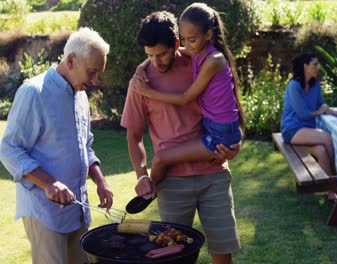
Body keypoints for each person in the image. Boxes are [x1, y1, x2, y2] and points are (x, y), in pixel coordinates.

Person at [121, 11, 240, 264]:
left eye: (162, 54)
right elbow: (133, 135)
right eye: (149, 55)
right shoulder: (140, 82)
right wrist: (141, 174)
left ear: (177, 43)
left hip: (214, 173)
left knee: (222, 251)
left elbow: (228, 108)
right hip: (173, 183)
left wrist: (234, 144)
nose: (156, 62)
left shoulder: (200, 62)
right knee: (174, 254)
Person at [0, 27, 113, 264]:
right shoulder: (34, 92)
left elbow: (86, 146)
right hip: (45, 213)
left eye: (98, 74)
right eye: (92, 72)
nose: (94, 81)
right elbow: (9, 149)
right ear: (71, 60)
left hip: (78, 210)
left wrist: (100, 181)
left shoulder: (80, 95)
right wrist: (49, 183)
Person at [133, 2, 243, 187]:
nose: (187, 46)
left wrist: (149, 92)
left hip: (220, 133)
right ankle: (151, 190)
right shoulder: (197, 51)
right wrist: (142, 66)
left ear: (208, 35)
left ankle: (150, 192)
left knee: (160, 159)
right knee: (161, 159)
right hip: (216, 127)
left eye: (191, 40)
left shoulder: (213, 60)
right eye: (183, 40)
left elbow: (185, 98)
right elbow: (171, 51)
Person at [280, 52, 337, 202]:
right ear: (306, 67)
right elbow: (303, 114)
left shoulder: (315, 85)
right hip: (292, 130)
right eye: (315, 64)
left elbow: (320, 105)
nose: (317, 67)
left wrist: (335, 112)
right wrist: (320, 111)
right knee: (327, 137)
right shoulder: (293, 86)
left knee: (322, 151)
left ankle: (331, 192)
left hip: (306, 131)